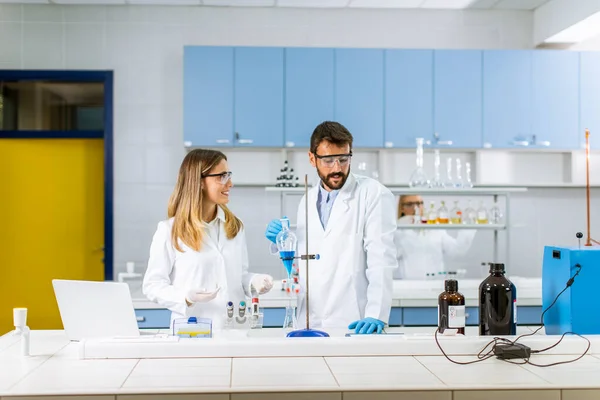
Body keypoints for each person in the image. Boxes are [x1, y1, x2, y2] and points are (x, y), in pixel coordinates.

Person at [265, 121, 397, 335]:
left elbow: (382, 258)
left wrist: (376, 313)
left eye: (343, 159)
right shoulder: (306, 201)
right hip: (309, 320)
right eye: (328, 160)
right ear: (312, 158)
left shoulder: (373, 194)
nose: (337, 168)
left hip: (354, 319)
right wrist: (282, 240)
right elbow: (310, 258)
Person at [143, 149, 274, 329]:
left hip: (235, 330)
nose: (230, 183)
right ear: (199, 182)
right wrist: (186, 298)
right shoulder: (169, 230)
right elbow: (152, 285)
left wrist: (254, 281)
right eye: (222, 176)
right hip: (193, 332)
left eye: (229, 175)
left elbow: (238, 276)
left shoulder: (235, 226)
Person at [394, 194, 476, 280]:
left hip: (435, 284)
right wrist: (403, 224)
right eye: (410, 204)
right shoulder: (397, 231)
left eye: (419, 203)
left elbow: (457, 250)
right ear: (402, 208)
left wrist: (468, 225)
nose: (416, 208)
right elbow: (389, 257)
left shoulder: (434, 228)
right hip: (409, 286)